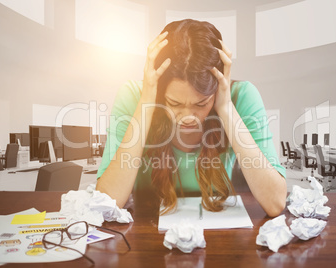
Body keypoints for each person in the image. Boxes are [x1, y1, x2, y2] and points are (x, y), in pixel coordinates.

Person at [96, 19, 287, 217]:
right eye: (174, 103)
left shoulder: (241, 96)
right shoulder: (135, 96)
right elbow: (107, 202)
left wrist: (225, 107)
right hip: (147, 230)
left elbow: (275, 203)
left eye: (201, 104)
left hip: (217, 231)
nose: (188, 118)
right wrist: (146, 103)